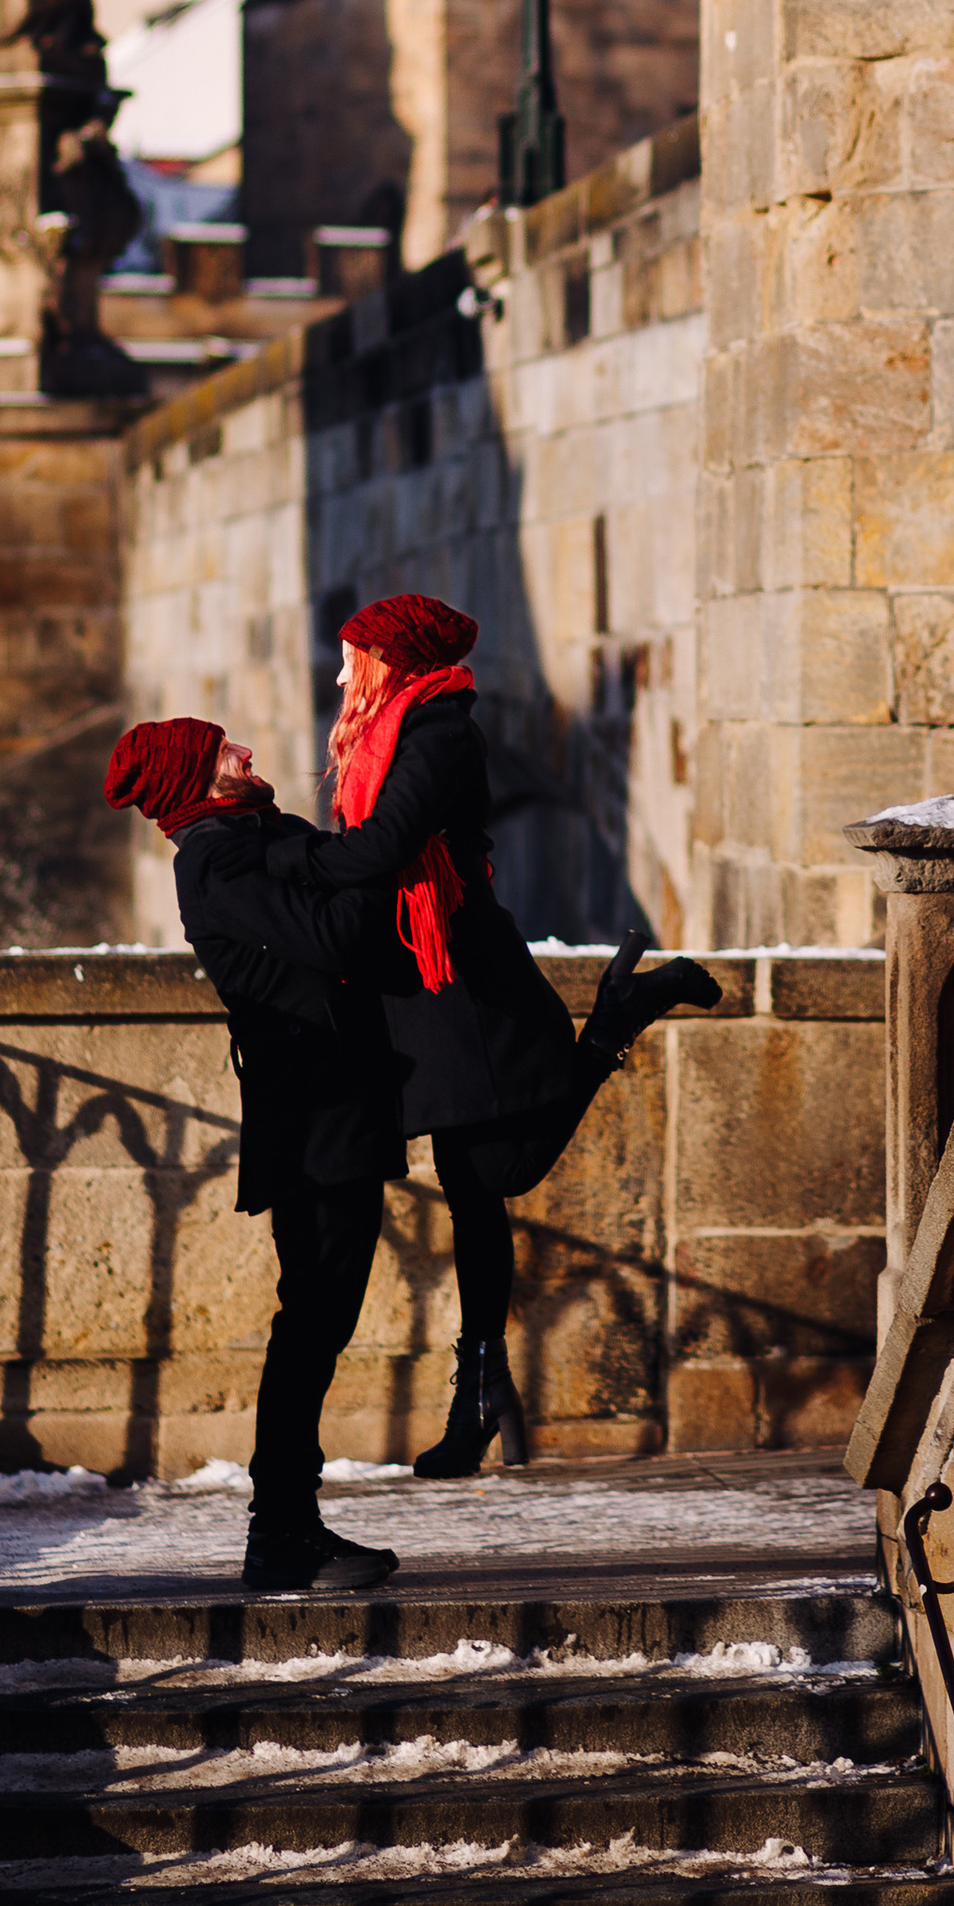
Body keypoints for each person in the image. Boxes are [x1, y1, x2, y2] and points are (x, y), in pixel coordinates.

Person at [295, 591, 721, 1480]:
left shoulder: (439, 731)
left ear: (394, 662)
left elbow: (382, 848)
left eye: (352, 658)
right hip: (424, 977)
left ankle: (614, 1022)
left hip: (465, 976)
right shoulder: (393, 733)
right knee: (469, 1187)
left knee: (498, 1173)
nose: (339, 677)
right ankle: (483, 1393)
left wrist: (276, 859)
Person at [102, 714, 407, 1597]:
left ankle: (288, 1527)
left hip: (334, 1106)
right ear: (194, 778)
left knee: (319, 1319)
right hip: (311, 1118)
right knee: (311, 1320)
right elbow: (334, 938)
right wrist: (376, 859)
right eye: (222, 751)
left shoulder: (255, 835)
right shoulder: (215, 859)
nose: (245, 753)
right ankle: (279, 1534)